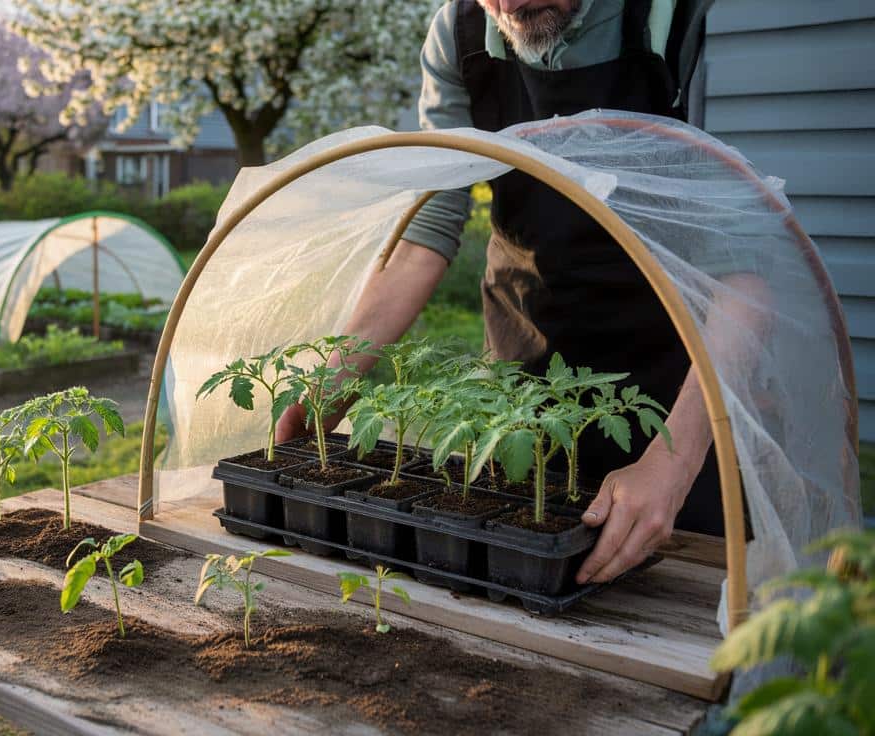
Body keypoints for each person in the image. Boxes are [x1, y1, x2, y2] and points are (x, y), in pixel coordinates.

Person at [276, 0, 732, 586]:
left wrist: (674, 461)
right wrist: (341, 365)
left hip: (682, 388)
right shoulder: (461, 31)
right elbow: (428, 231)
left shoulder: (684, 19)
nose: (509, 6)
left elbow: (744, 274)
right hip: (523, 382)